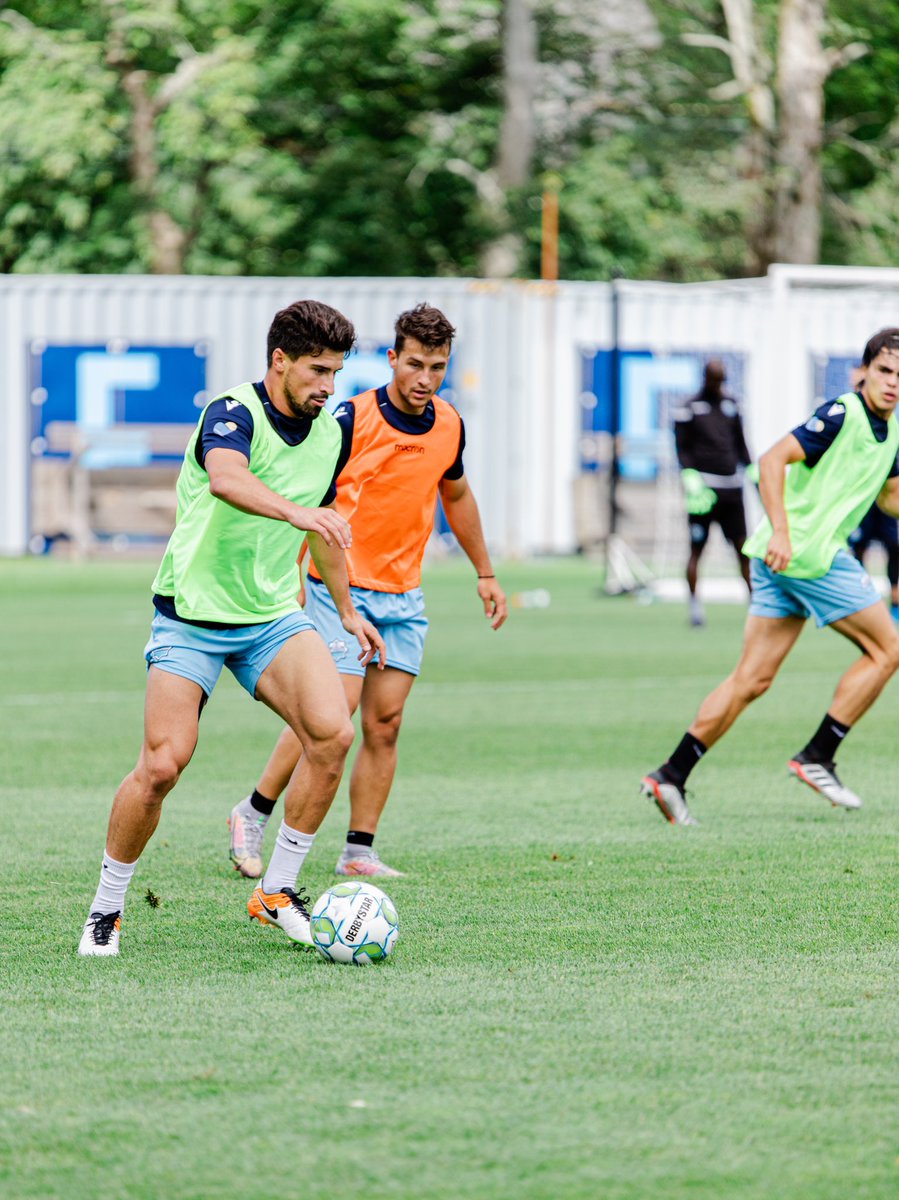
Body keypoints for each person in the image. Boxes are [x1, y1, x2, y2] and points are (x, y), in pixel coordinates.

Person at [78, 300, 386, 956]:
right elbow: (226, 480)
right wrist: (299, 515)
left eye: (335, 372)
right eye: (315, 370)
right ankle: (107, 907)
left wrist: (350, 610)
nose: (327, 386)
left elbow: (328, 529)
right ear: (279, 361)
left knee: (332, 736)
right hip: (191, 614)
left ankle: (275, 892)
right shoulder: (231, 412)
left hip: (271, 615)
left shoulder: (331, 432)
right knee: (163, 765)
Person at [227, 303, 508, 881]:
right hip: (339, 589)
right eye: (414, 364)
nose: (424, 379)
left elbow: (455, 496)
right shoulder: (347, 420)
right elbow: (312, 501)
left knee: (386, 723)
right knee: (333, 716)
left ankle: (358, 851)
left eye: (437, 366)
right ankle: (253, 812)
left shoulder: (450, 423)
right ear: (391, 358)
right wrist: (297, 577)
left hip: (404, 597)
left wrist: (485, 571)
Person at [641, 327, 899, 825]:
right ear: (865, 370)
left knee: (752, 679)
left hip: (778, 559)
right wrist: (781, 530)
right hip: (806, 554)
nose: (892, 383)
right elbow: (770, 460)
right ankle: (819, 756)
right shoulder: (843, 413)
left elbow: (889, 497)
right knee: (888, 649)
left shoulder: (892, 433)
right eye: (884, 371)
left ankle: (672, 775)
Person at [673, 360, 753, 626]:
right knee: (697, 549)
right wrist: (689, 475)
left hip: (732, 489)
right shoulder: (689, 408)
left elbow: (741, 444)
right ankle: (695, 607)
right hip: (703, 492)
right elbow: (682, 448)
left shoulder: (732, 405)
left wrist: (753, 473)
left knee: (744, 548)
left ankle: (756, 608)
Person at [849, 502, 899, 619]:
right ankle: (861, 598)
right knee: (859, 549)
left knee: (894, 547)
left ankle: (895, 601)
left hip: (885, 502)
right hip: (863, 503)